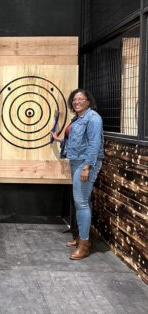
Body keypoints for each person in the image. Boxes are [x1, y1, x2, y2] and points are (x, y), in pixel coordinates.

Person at [52, 89, 104, 260]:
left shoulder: (93, 118)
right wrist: (60, 140)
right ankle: (81, 236)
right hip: (76, 160)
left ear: (88, 101)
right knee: (83, 201)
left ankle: (84, 244)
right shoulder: (78, 118)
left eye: (81, 99)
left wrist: (87, 166)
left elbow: (94, 143)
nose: (77, 102)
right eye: (74, 99)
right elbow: (76, 140)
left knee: (81, 202)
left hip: (85, 163)